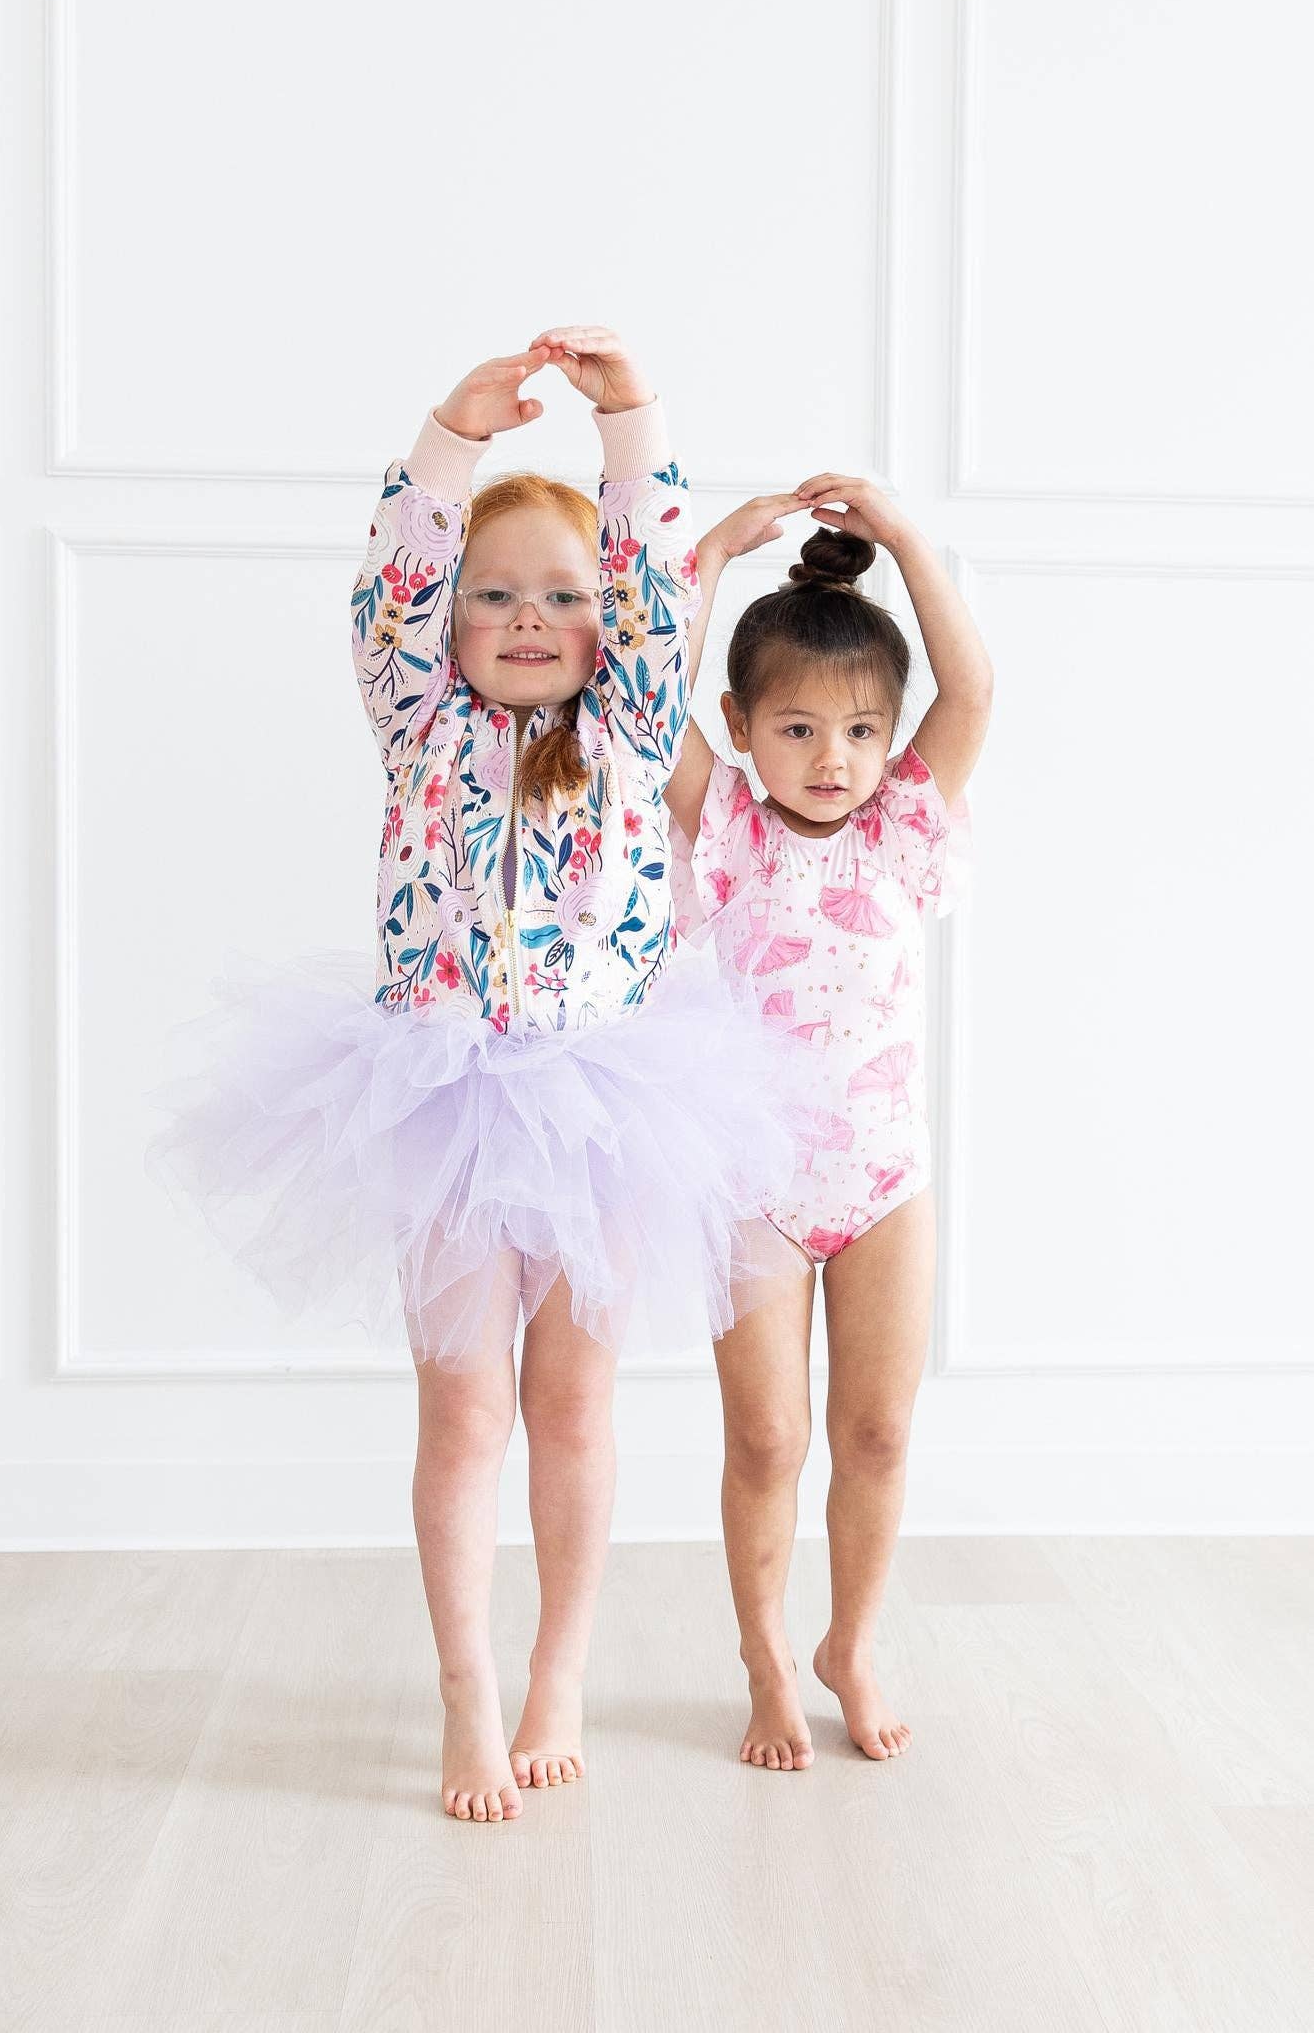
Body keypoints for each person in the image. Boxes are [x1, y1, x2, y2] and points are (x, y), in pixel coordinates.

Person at [147, 328, 805, 1823]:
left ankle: (557, 1671)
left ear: (609, 627)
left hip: (607, 1101)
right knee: (462, 1414)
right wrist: (448, 437)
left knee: (574, 1409)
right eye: (492, 594)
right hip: (441, 1097)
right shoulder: (420, 723)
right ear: (446, 624)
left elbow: (652, 573)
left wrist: (628, 420)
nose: (526, 618)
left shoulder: (635, 723)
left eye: (560, 599)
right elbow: (388, 581)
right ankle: (464, 1686)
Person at [666, 473, 991, 1770]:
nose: (831, 760)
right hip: (748, 1180)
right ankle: (760, 1658)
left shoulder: (905, 824)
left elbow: (969, 694)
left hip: (881, 1180)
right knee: (765, 1437)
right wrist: (704, 557)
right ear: (741, 728)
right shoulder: (728, 828)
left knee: (872, 1432)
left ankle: (845, 1641)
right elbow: (641, 700)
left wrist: (905, 539)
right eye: (795, 730)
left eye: (858, 732)